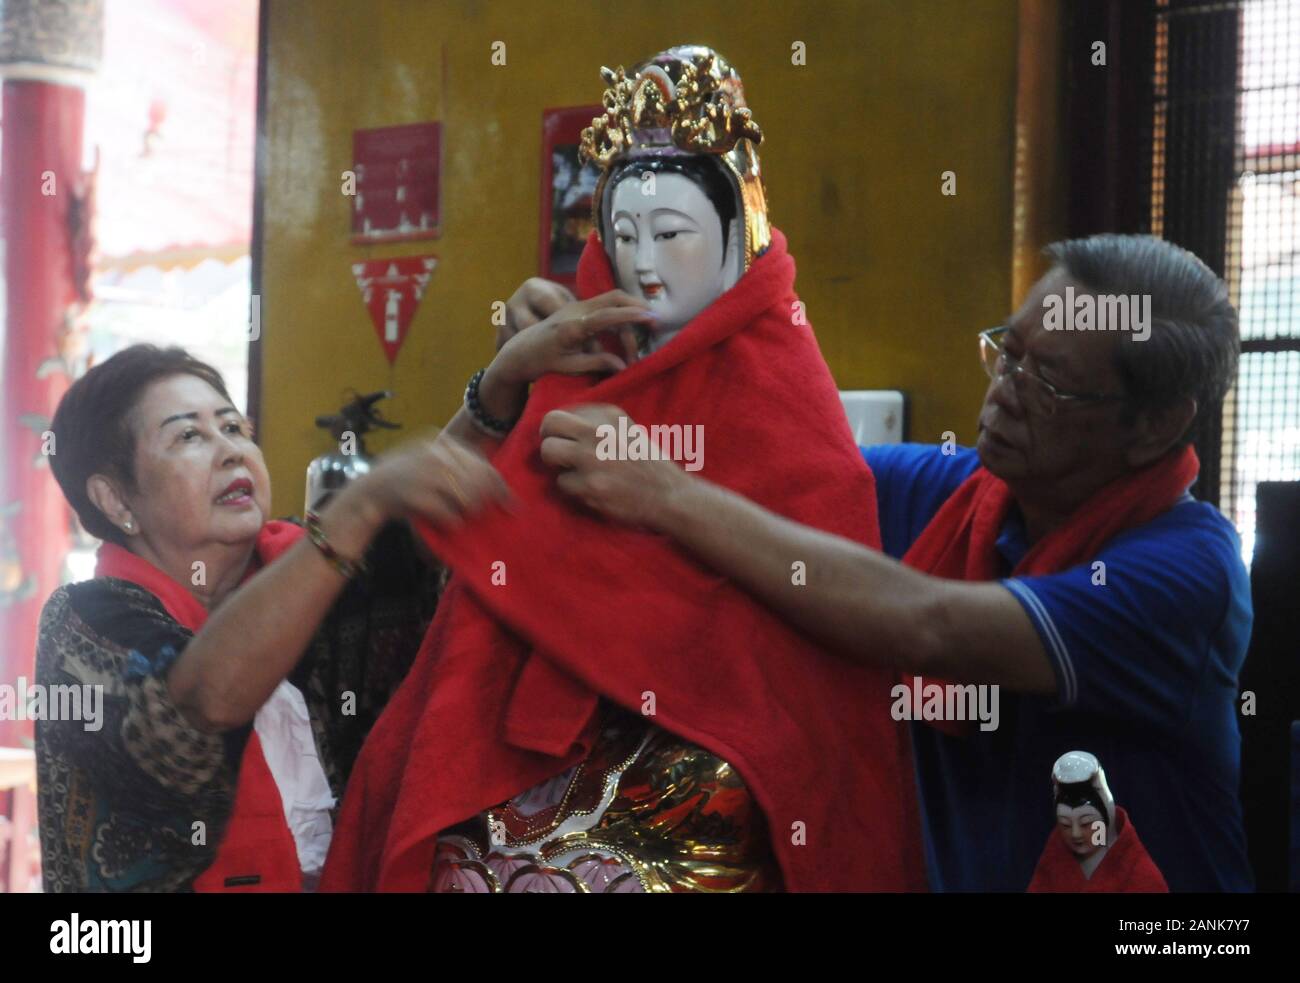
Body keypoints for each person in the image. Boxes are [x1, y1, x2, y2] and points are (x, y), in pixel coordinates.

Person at [323, 46, 925, 894]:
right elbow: (466, 564)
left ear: (739, 232)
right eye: (626, 234)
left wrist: (668, 497)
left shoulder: (785, 402)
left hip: (701, 749)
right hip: (543, 742)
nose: (646, 263)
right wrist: (509, 382)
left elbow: (815, 684)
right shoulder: (574, 360)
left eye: (673, 235)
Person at [537, 233, 1254, 892]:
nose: (1005, 388)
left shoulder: (1187, 569)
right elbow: (762, 475)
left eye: (1050, 382)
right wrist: (575, 361)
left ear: (1156, 424)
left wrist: (668, 495)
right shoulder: (954, 495)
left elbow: (931, 624)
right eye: (1010, 350)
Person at [35, 281, 653, 892]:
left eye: (233, 427)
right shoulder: (86, 623)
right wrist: (356, 509)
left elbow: (418, 525)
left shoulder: (305, 578)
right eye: (189, 436)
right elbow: (197, 705)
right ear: (116, 499)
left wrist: (502, 381)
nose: (230, 451)